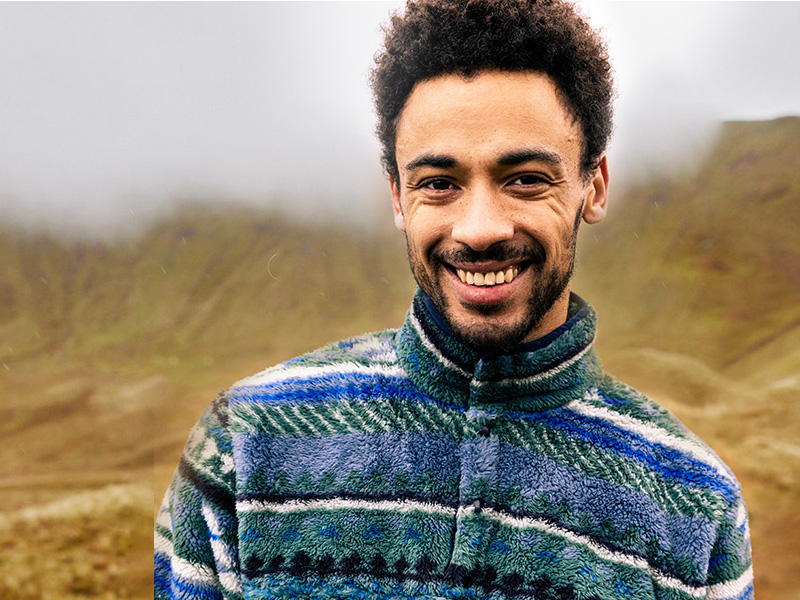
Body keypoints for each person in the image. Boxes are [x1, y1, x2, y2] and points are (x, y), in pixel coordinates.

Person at [153, 1, 754, 598]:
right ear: (397, 196)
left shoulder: (697, 509)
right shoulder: (243, 445)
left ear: (592, 187)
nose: (480, 229)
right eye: (439, 184)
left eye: (525, 179)